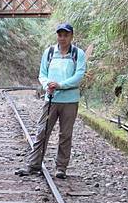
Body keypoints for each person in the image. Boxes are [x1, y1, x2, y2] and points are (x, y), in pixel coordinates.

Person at [16, 22, 86, 179]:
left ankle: (61, 167)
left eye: (66, 35)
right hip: (51, 98)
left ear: (71, 36)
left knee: (65, 134)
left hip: (70, 100)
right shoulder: (49, 52)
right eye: (60, 35)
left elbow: (79, 75)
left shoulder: (78, 54)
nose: (62, 38)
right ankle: (33, 164)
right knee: (42, 131)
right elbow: (42, 73)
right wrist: (47, 83)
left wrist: (61, 84)